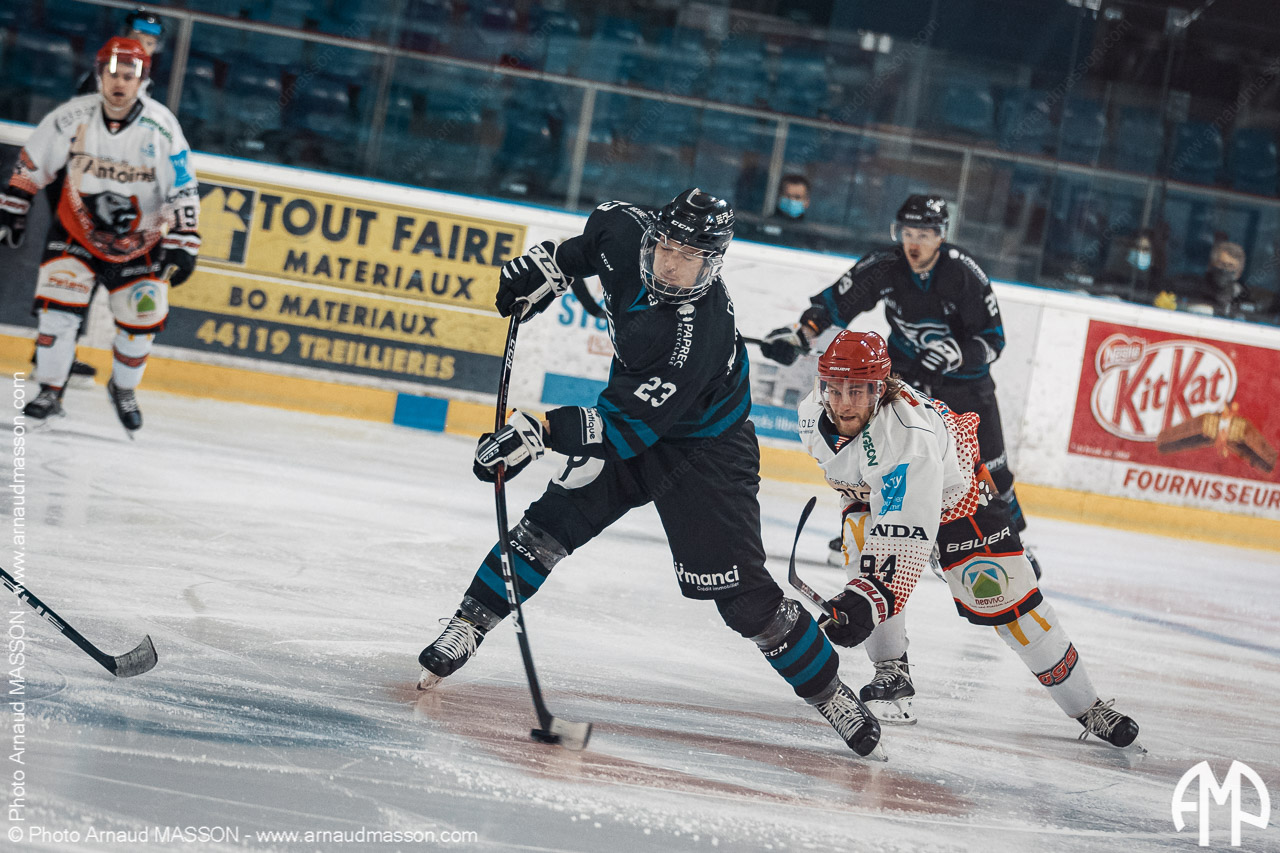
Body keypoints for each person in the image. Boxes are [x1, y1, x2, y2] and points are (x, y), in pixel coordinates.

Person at [417, 188, 884, 759]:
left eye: (690, 257)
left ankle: (830, 693)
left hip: (704, 452)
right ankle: (467, 624)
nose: (671, 264)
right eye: (666, 248)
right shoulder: (623, 230)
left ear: (712, 264)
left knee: (745, 602)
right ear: (652, 236)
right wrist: (554, 265)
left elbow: (620, 432)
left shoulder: (695, 336)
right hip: (629, 418)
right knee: (546, 528)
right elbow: (591, 244)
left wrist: (538, 433)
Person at [798, 329, 1140, 748]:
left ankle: (1089, 706)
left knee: (1011, 606)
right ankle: (892, 670)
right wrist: (865, 592)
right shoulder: (810, 414)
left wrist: (868, 601)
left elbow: (904, 533)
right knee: (864, 558)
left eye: (858, 391)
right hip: (881, 494)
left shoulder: (909, 437)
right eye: (835, 389)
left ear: (880, 390)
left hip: (959, 497)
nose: (843, 404)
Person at [757, 195, 1035, 570]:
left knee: (992, 469)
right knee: (884, 453)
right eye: (908, 233)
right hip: (906, 377)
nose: (914, 243)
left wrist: (955, 354)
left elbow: (993, 341)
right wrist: (800, 334)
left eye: (924, 234)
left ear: (941, 235)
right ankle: (870, 528)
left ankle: (1013, 543)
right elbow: (835, 304)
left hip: (965, 385)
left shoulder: (963, 273)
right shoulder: (886, 266)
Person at [0, 37, 200, 432]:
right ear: (98, 75)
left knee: (141, 325)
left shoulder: (161, 127)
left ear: (143, 80)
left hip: (141, 242)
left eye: (128, 75)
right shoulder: (72, 116)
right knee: (57, 315)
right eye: (113, 74)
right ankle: (50, 390)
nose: (119, 83)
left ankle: (123, 388)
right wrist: (13, 209)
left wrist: (185, 239)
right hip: (76, 233)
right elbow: (32, 163)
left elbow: (183, 185)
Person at [1169, 240, 1258, 319]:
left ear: (1239, 273)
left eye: (1231, 266)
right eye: (1222, 264)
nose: (1225, 270)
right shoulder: (1190, 289)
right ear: (1210, 265)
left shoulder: (1242, 299)